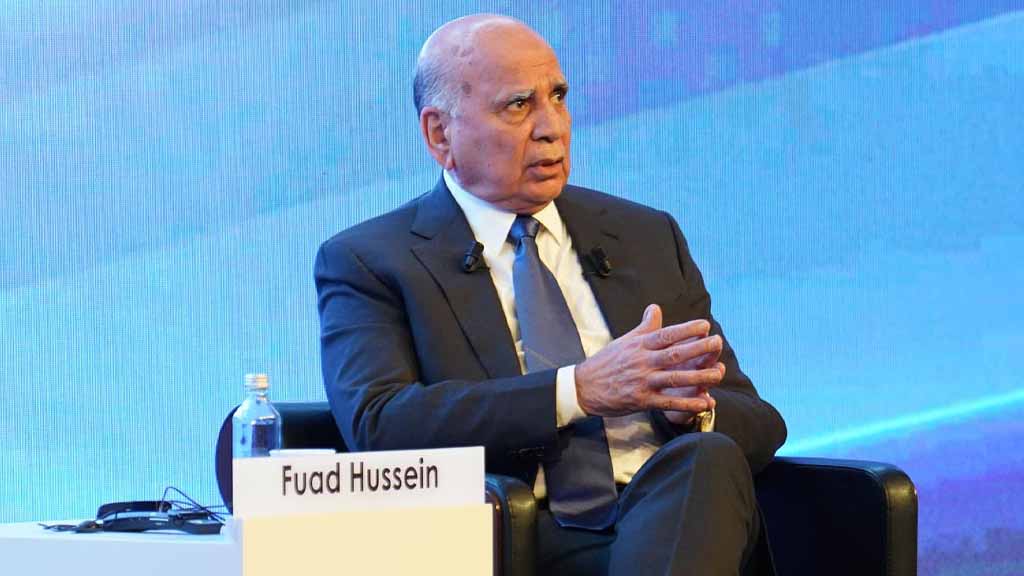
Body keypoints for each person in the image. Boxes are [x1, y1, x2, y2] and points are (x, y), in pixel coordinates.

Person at [315, 14, 786, 576]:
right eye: (518, 105)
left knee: (705, 456)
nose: (552, 127)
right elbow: (380, 425)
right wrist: (577, 391)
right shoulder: (372, 260)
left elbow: (760, 422)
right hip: (520, 536)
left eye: (558, 97)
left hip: (674, 514)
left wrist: (688, 413)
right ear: (440, 134)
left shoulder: (644, 236)